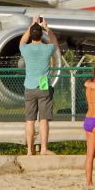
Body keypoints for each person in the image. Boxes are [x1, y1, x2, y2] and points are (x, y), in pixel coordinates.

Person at [18, 15, 59, 156]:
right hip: (43, 86)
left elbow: (22, 41)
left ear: (31, 35)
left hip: (29, 87)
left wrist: (31, 25)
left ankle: (29, 150)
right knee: (44, 120)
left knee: (29, 120)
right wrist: (47, 28)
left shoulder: (25, 49)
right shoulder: (47, 49)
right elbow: (55, 42)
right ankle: (43, 149)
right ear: (41, 35)